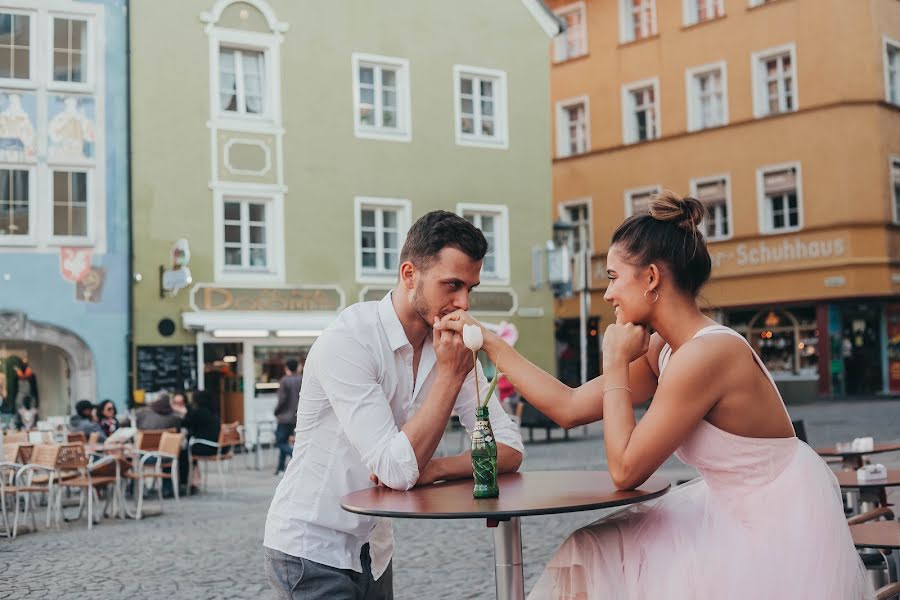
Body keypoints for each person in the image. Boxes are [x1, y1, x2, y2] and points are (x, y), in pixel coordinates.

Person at [439, 191, 872, 600]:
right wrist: (489, 342)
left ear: (650, 278)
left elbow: (626, 470)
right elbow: (568, 408)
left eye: (613, 278)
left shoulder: (708, 355)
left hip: (773, 526)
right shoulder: (663, 349)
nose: (607, 293)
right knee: (589, 549)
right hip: (722, 511)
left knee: (606, 557)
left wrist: (613, 364)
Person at [263, 211, 524, 600]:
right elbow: (395, 470)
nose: (463, 303)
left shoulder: (449, 347)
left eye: (471, 288)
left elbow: (508, 448)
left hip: (375, 549)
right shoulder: (350, 341)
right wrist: (451, 378)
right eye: (452, 285)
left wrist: (433, 469)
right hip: (310, 546)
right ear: (409, 274)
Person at [179, 390, 222, 494]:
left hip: (206, 447)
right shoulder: (212, 411)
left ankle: (185, 483)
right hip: (216, 446)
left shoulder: (199, 412)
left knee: (183, 453)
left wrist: (182, 412)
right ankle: (193, 481)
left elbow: (185, 423)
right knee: (188, 450)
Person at [273, 358, 302, 475]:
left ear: (287, 368)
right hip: (296, 416)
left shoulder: (285, 381)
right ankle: (280, 469)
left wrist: (276, 412)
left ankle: (295, 456)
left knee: (280, 442)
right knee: (286, 441)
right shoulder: (301, 379)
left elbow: (282, 400)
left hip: (284, 417)